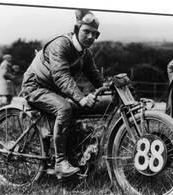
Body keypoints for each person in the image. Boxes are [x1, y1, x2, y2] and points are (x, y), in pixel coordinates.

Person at [21, 10, 113, 178]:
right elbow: (61, 77)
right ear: (76, 29)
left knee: (76, 110)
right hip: (35, 87)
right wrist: (81, 98)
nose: (91, 37)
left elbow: (95, 76)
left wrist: (111, 87)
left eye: (95, 34)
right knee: (64, 108)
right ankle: (60, 163)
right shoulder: (61, 45)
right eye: (87, 32)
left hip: (53, 90)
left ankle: (75, 156)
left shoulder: (85, 53)